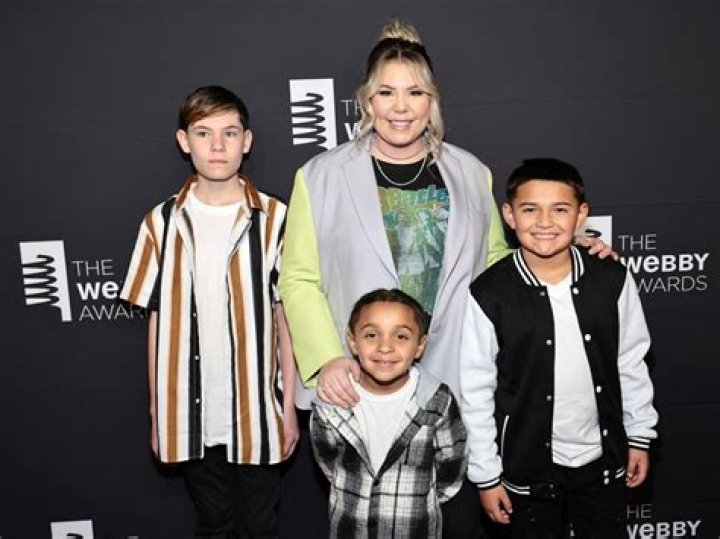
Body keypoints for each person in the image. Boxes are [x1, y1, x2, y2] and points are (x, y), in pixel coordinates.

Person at [119, 85, 298, 538]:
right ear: (184, 141)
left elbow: (285, 319)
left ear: (247, 140)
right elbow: (157, 323)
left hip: (258, 409)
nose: (218, 146)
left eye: (229, 133)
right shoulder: (159, 222)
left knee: (260, 526)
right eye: (203, 133)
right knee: (214, 524)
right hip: (188, 411)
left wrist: (290, 407)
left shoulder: (276, 218)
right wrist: (158, 413)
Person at [460, 158, 658, 537]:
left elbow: (631, 362)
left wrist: (639, 435)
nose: (545, 222)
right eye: (530, 209)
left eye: (560, 209)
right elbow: (476, 390)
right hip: (526, 467)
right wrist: (486, 475)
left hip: (602, 460)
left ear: (581, 215)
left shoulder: (611, 278)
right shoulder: (489, 293)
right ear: (509, 215)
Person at [310, 288, 467, 538]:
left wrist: (418, 498)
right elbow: (328, 461)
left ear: (420, 346)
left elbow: (451, 466)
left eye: (401, 336)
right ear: (352, 341)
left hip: (415, 529)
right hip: (349, 528)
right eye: (371, 335)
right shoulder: (332, 403)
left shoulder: (437, 401)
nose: (385, 347)